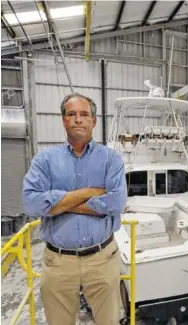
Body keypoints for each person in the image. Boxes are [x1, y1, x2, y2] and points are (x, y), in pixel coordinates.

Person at [22, 93, 127, 325]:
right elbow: (31, 204)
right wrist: (89, 192)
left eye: (84, 114)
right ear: (63, 120)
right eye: (72, 114)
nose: (78, 119)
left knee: (109, 321)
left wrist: (60, 204)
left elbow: (116, 203)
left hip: (103, 258)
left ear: (93, 121)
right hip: (58, 261)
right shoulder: (45, 160)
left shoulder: (111, 160)